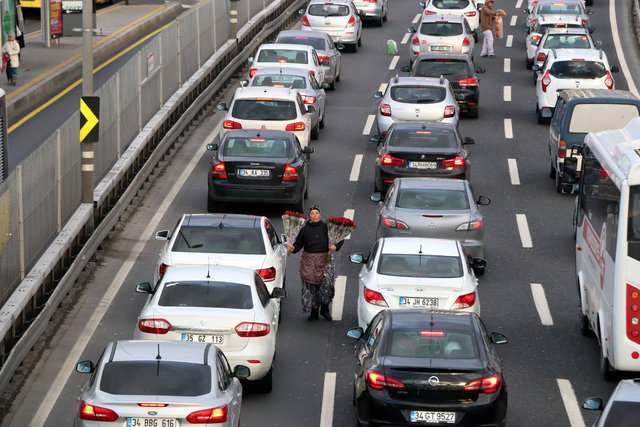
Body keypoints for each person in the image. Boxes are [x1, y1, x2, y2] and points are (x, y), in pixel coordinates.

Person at [288, 205, 343, 321]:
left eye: (316, 213)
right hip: (309, 262)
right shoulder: (304, 230)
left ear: (319, 214)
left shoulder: (327, 227)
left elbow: (339, 237)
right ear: (309, 216)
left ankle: (325, 310)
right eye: (312, 213)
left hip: (325, 260)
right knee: (311, 287)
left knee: (326, 286)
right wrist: (292, 248)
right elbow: (298, 245)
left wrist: (335, 247)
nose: (314, 215)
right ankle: (314, 312)